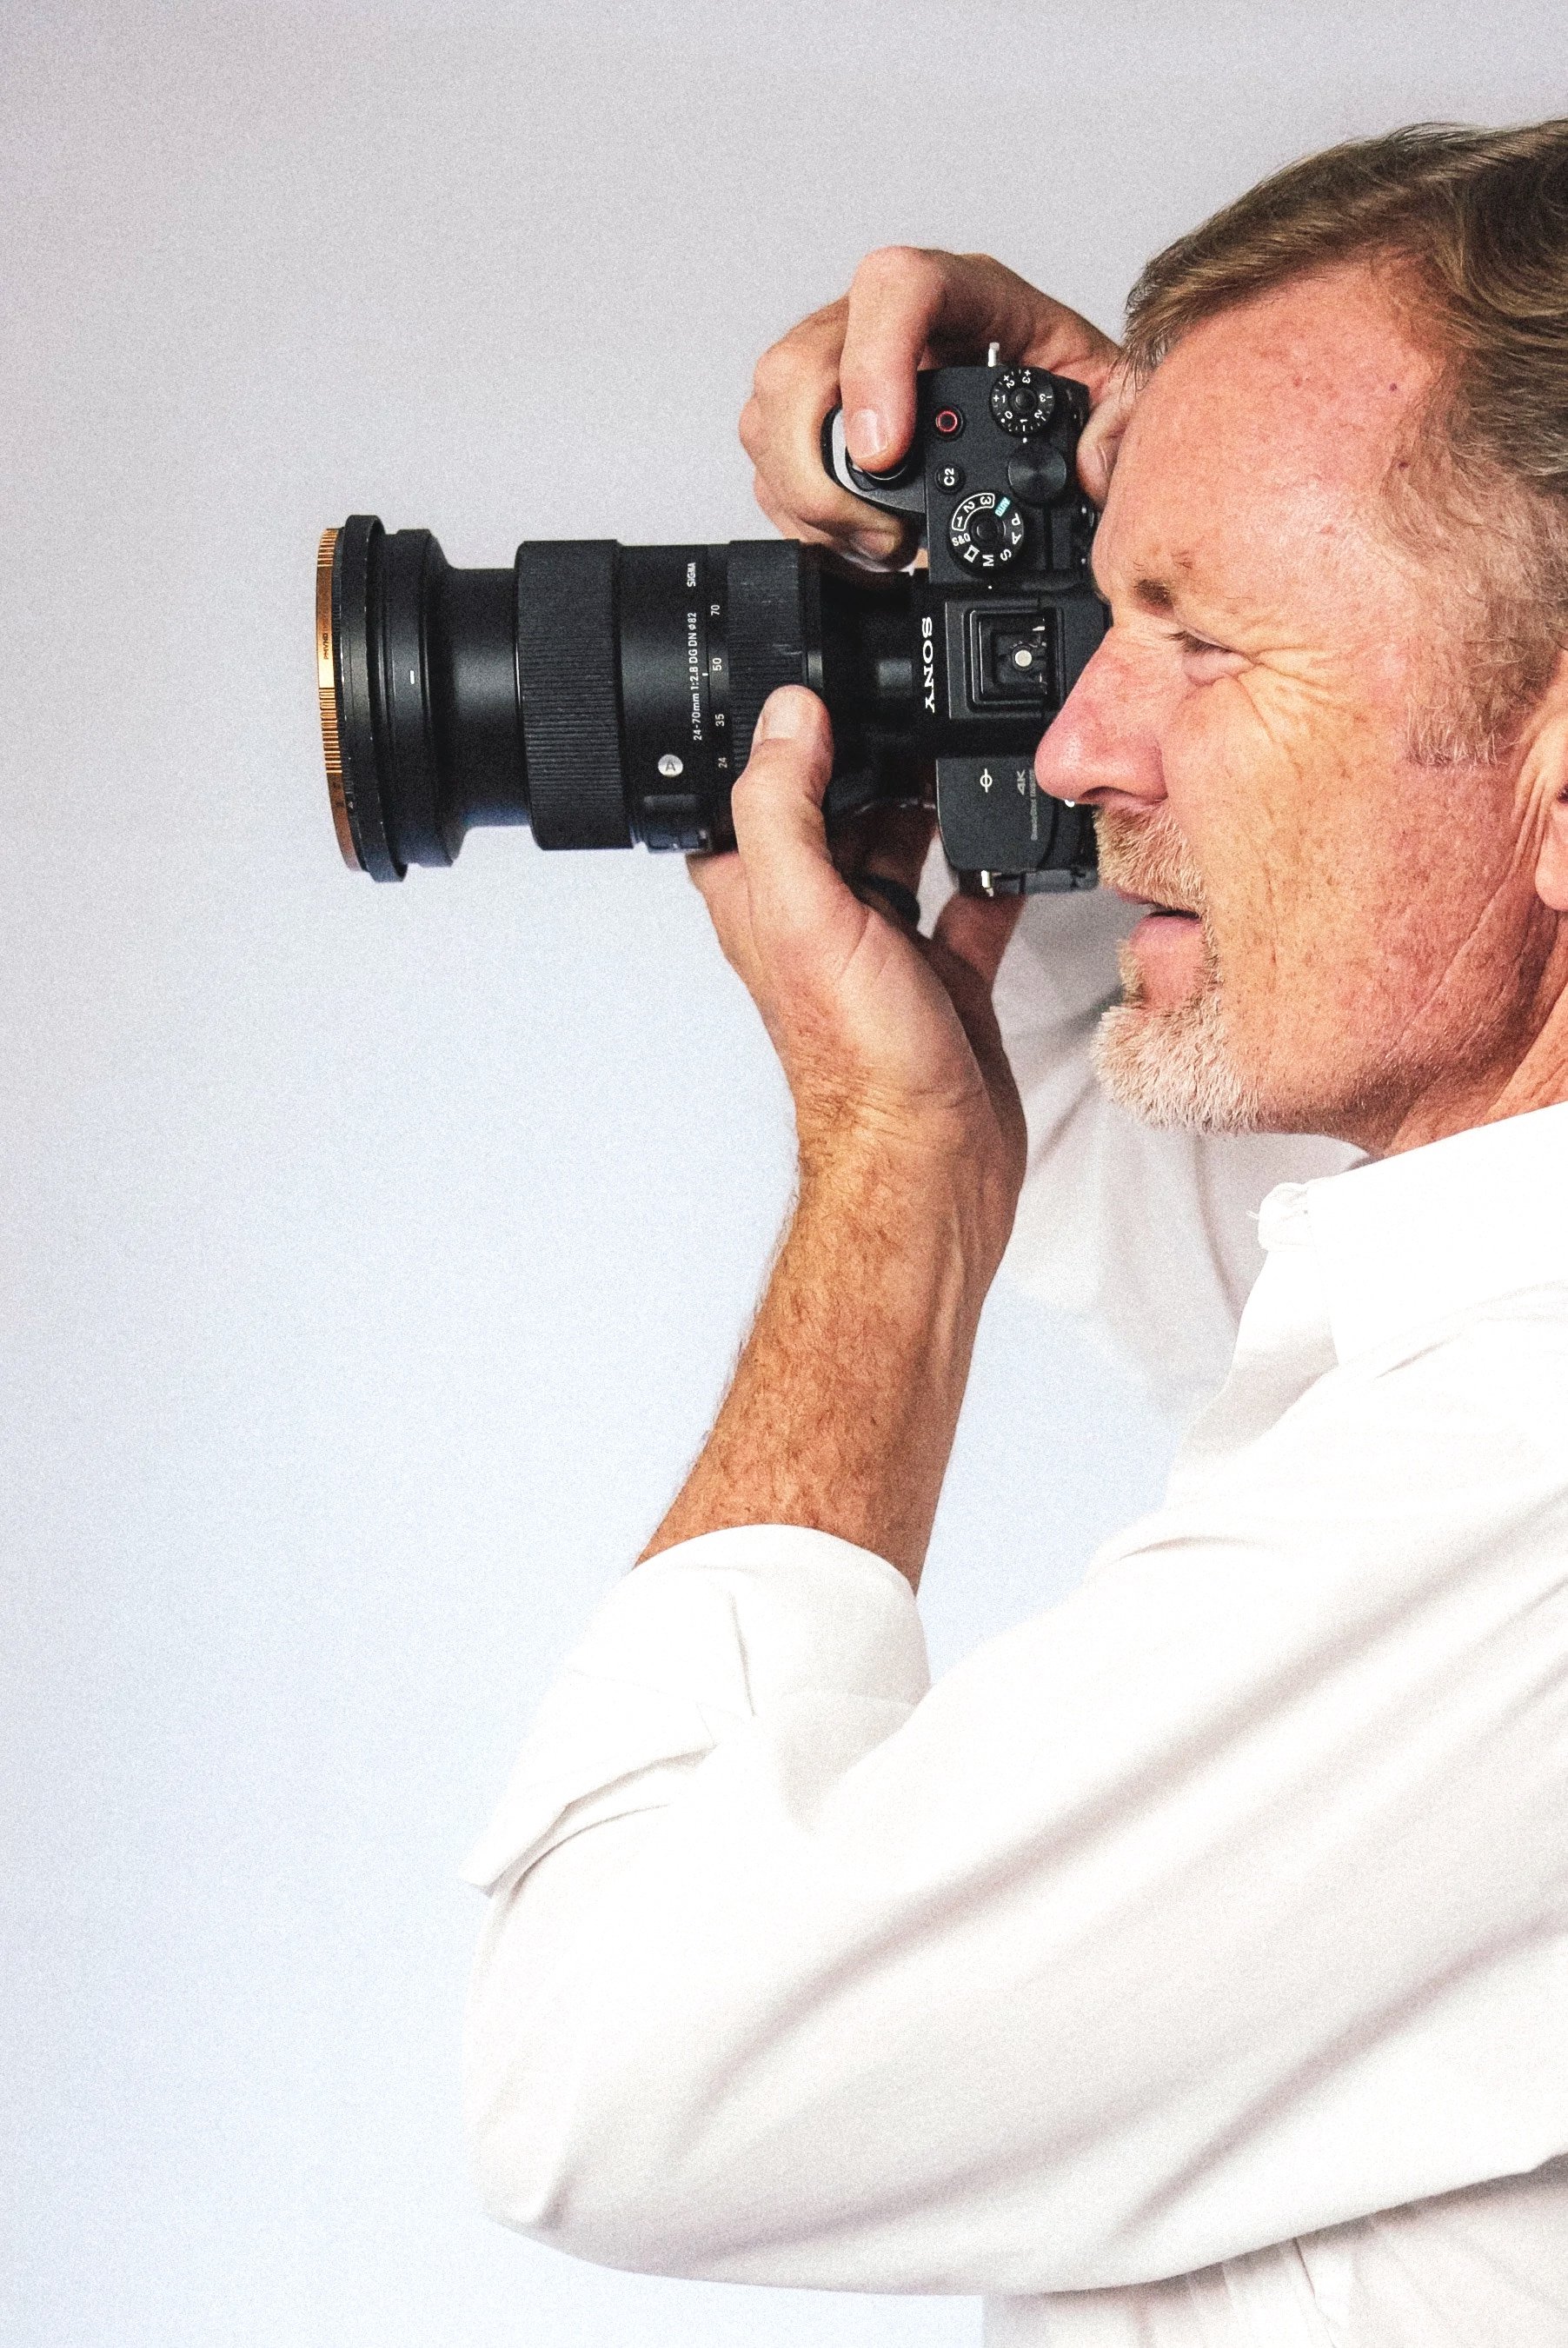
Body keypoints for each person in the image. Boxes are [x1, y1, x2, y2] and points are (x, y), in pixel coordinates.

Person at [460, 124, 1568, 2345]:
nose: (1067, 751)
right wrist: (1018, 535)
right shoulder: (1450, 1294)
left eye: (1196, 640)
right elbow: (1135, 1157)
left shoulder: (1514, 1479)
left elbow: (614, 2071)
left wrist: (879, 1166)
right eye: (1094, 619)